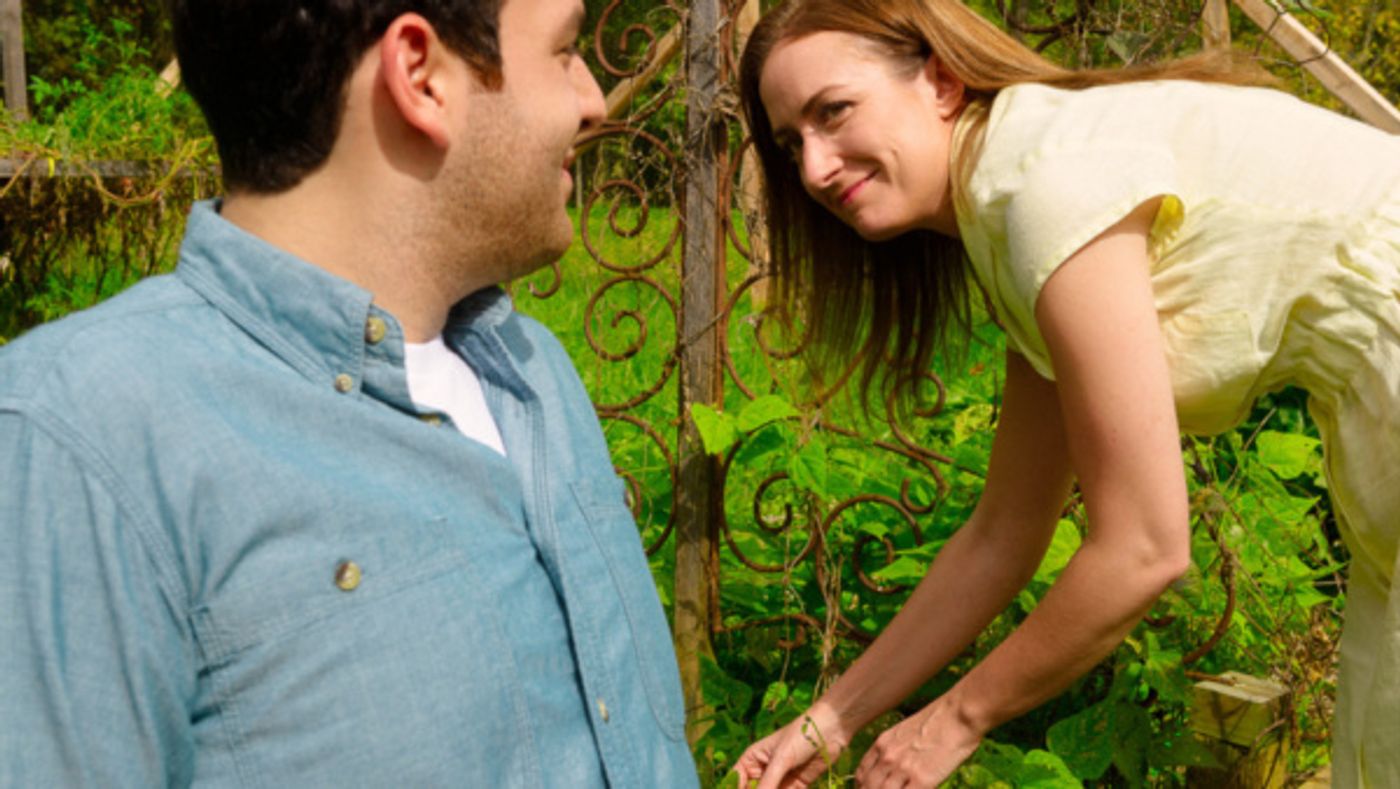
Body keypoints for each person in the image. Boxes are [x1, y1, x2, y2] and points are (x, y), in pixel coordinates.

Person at [0, 0, 698, 786]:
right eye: (566, 51)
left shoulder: (535, 372)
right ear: (421, 76)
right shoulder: (82, 440)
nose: (594, 99)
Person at [730, 0, 1400, 786]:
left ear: (940, 81)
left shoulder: (1044, 187)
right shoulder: (1011, 193)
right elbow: (1006, 529)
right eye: (791, 143)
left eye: (833, 112)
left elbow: (1145, 546)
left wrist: (955, 719)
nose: (813, 168)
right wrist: (833, 716)